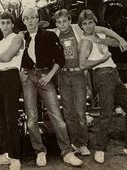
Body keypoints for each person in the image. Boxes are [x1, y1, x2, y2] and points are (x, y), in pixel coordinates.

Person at [51, 9, 127, 156]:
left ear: (70, 20)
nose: (62, 24)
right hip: (62, 76)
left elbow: (103, 29)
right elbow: (36, 33)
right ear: (56, 23)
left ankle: (83, 143)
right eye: (59, 22)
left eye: (65, 21)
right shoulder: (55, 33)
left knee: (80, 112)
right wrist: (21, 34)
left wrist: (119, 39)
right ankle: (74, 143)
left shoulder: (78, 30)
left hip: (78, 75)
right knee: (68, 113)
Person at [78, 9, 127, 164]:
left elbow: (113, 39)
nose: (88, 26)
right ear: (81, 26)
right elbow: (83, 64)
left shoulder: (98, 33)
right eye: (85, 24)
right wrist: (102, 60)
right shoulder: (85, 42)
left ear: (94, 22)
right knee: (106, 113)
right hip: (102, 74)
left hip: (114, 74)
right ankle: (100, 148)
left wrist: (112, 41)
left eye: (90, 23)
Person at [20, 7, 83, 167]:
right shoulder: (21, 38)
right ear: (24, 21)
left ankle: (67, 152)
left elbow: (60, 59)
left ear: (37, 19)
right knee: (32, 117)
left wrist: (49, 76)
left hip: (45, 76)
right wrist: (20, 73)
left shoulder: (48, 35)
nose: (31, 20)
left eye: (33, 17)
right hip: (28, 79)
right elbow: (14, 59)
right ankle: (40, 151)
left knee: (56, 115)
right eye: (27, 18)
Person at [0, 11, 24, 170]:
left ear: (12, 24)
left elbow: (8, 57)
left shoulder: (17, 38)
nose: (5, 25)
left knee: (11, 117)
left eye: (8, 22)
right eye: (2, 23)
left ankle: (16, 157)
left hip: (11, 76)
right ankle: (6, 154)